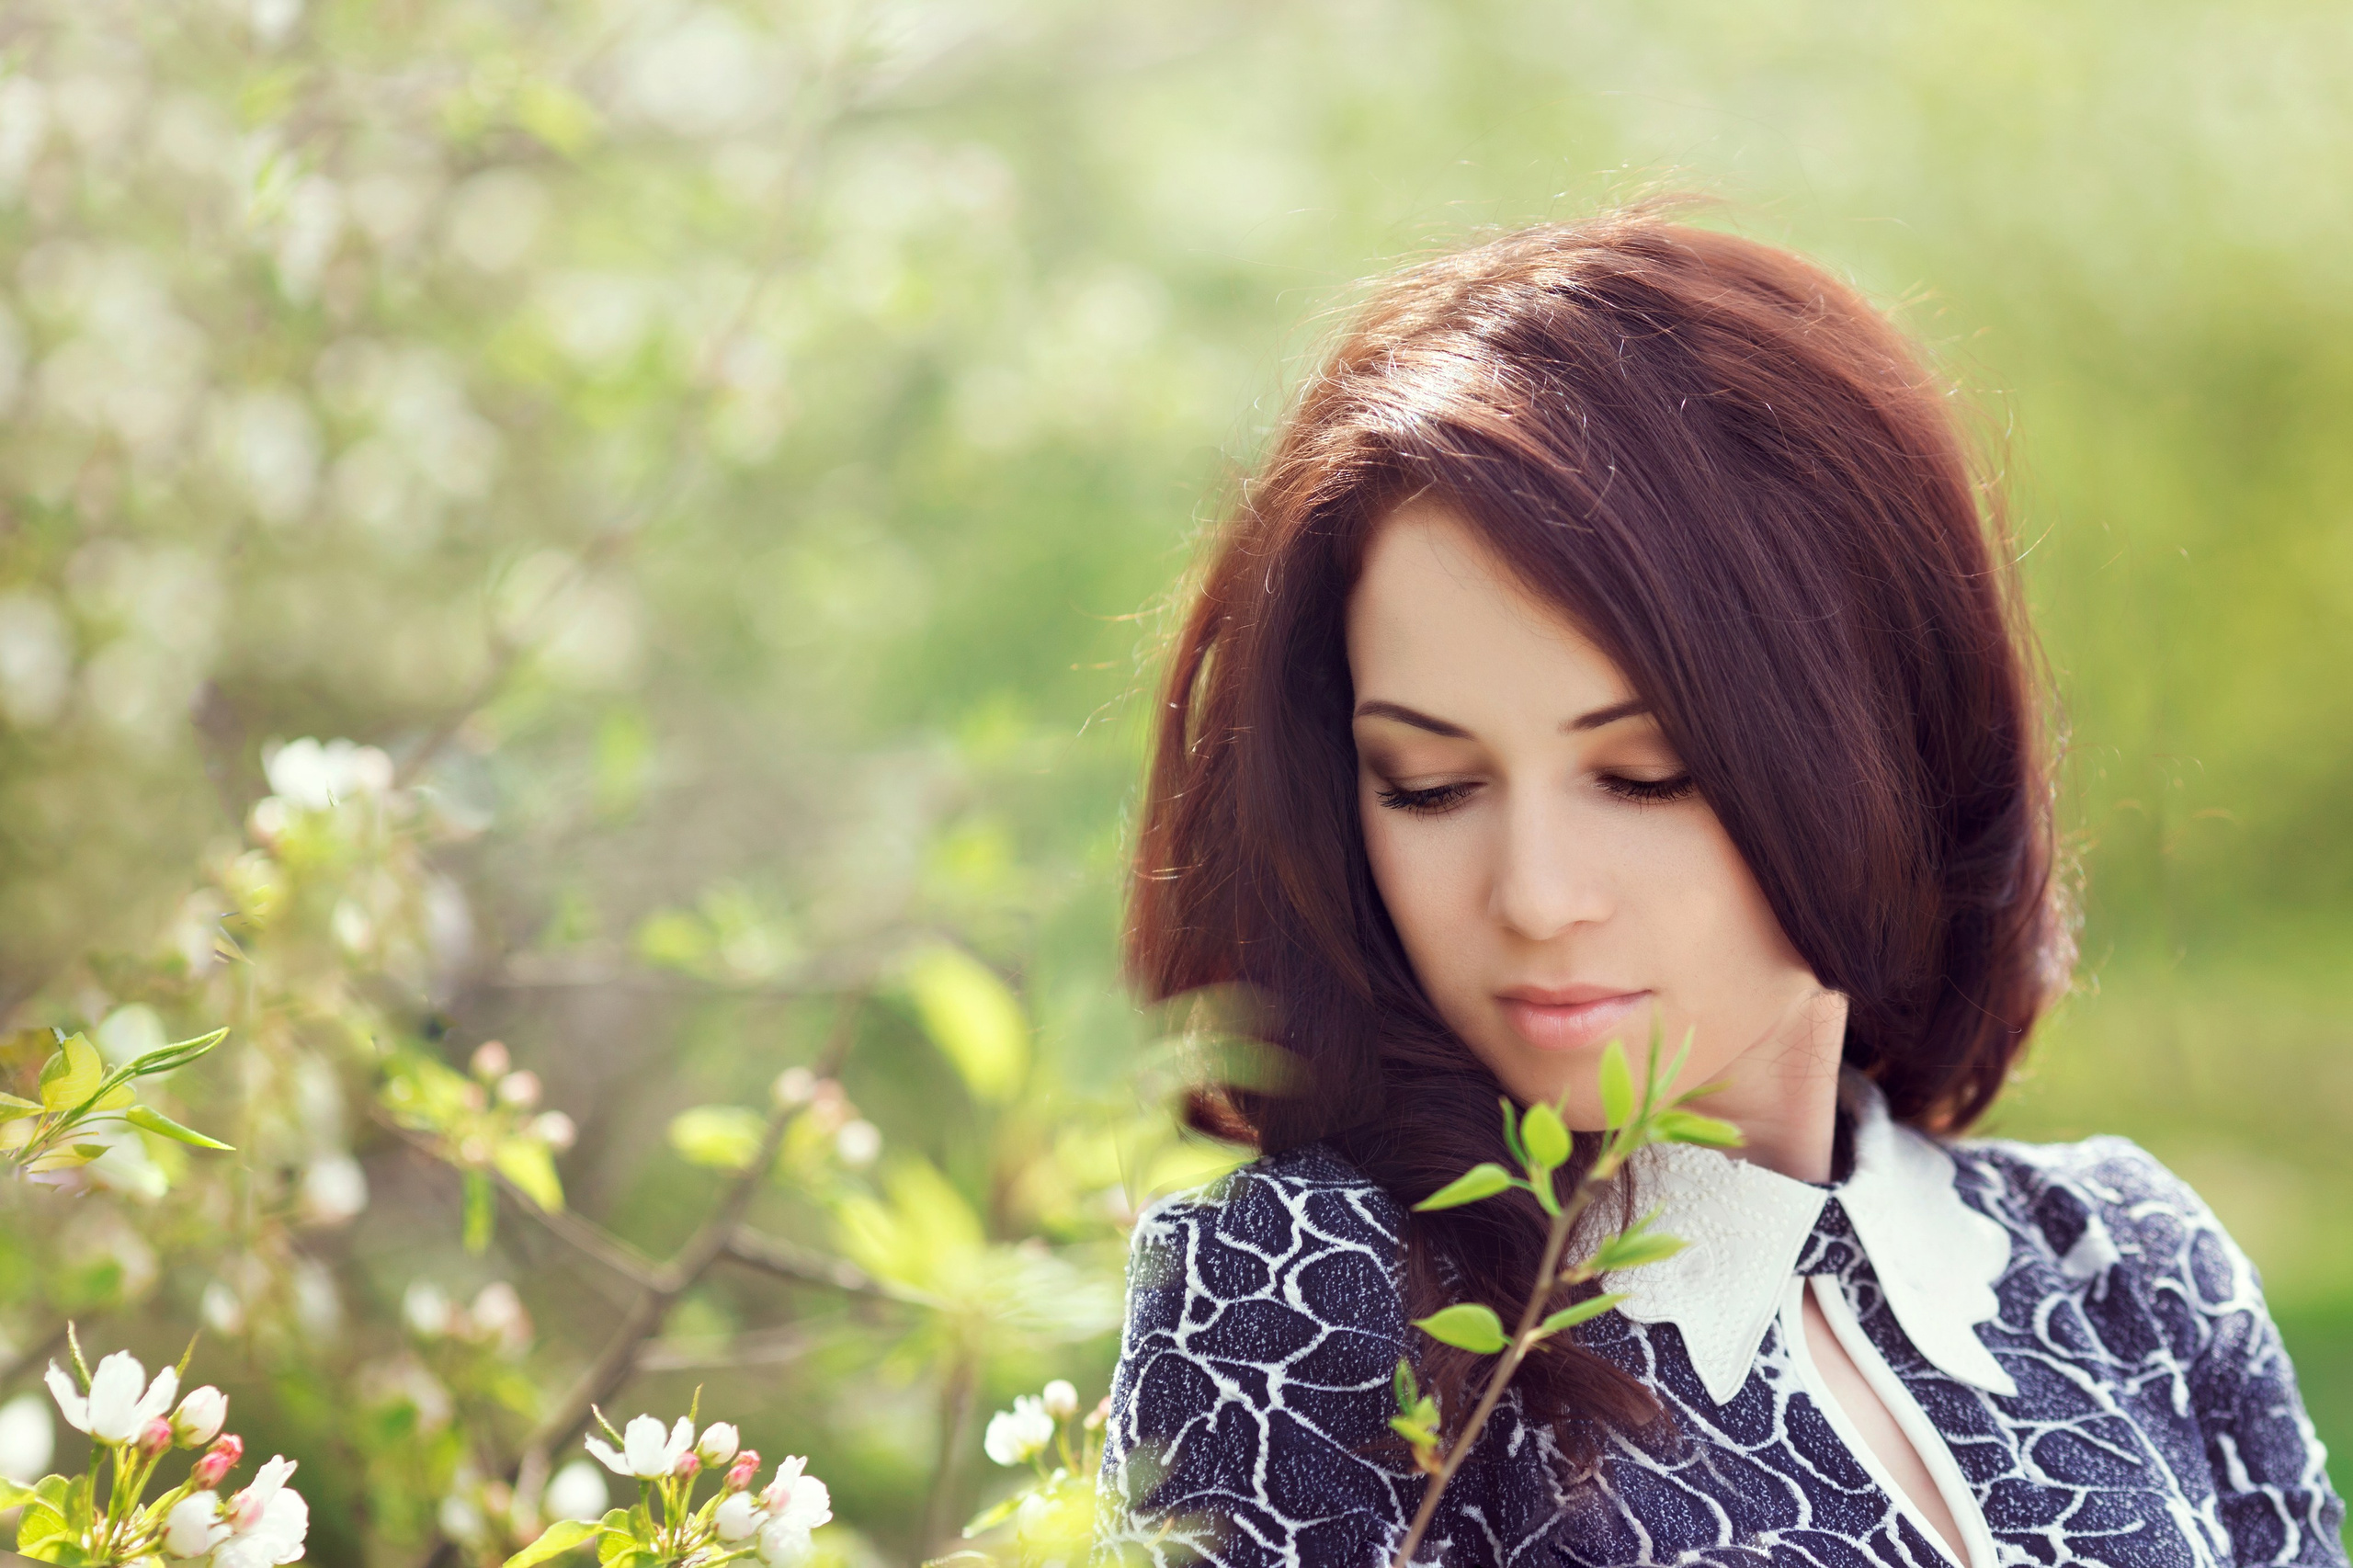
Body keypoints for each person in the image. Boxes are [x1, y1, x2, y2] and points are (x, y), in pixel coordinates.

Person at [1096, 208, 2347, 1568]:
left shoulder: (2128, 1268)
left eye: (1643, 776)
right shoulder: (1310, 1291)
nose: (1537, 894)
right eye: (1431, 785)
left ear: (1891, 741)